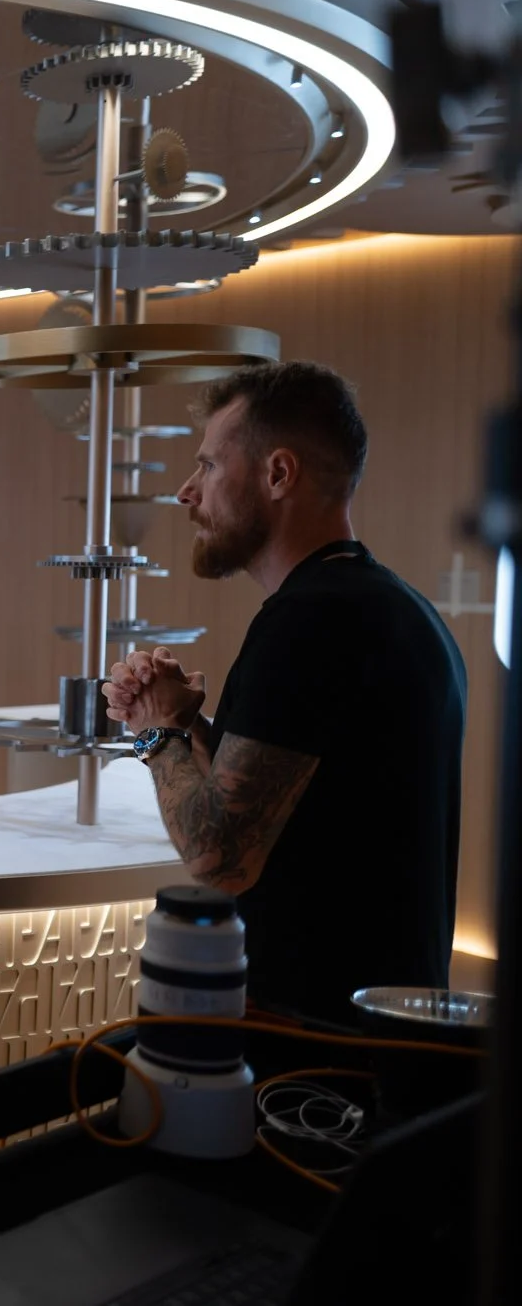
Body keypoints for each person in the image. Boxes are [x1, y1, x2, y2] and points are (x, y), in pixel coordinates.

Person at [102, 362, 467, 1022]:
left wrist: (157, 732)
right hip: (384, 1043)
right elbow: (296, 798)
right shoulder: (399, 611)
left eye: (209, 467)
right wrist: (192, 723)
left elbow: (222, 856)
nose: (187, 493)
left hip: (318, 1052)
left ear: (278, 474)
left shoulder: (307, 623)